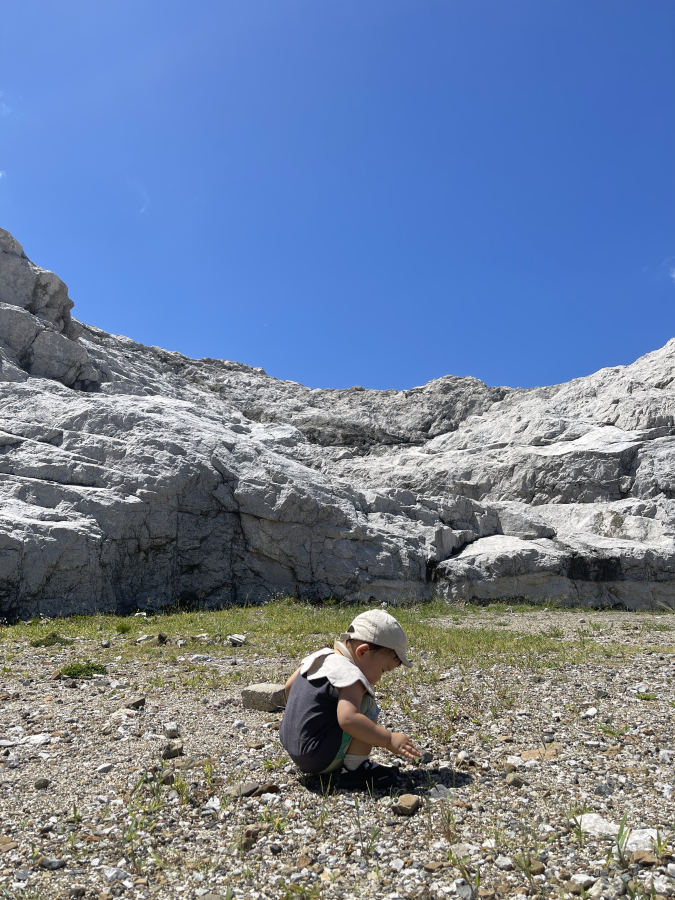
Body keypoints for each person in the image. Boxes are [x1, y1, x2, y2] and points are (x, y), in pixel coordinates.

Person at [279, 609, 422, 789]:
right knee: (367, 704)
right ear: (363, 652)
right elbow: (348, 719)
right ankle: (356, 770)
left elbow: (289, 687)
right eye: (383, 670)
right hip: (318, 758)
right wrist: (389, 739)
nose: (379, 679)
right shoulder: (351, 675)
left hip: (293, 748)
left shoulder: (319, 656)